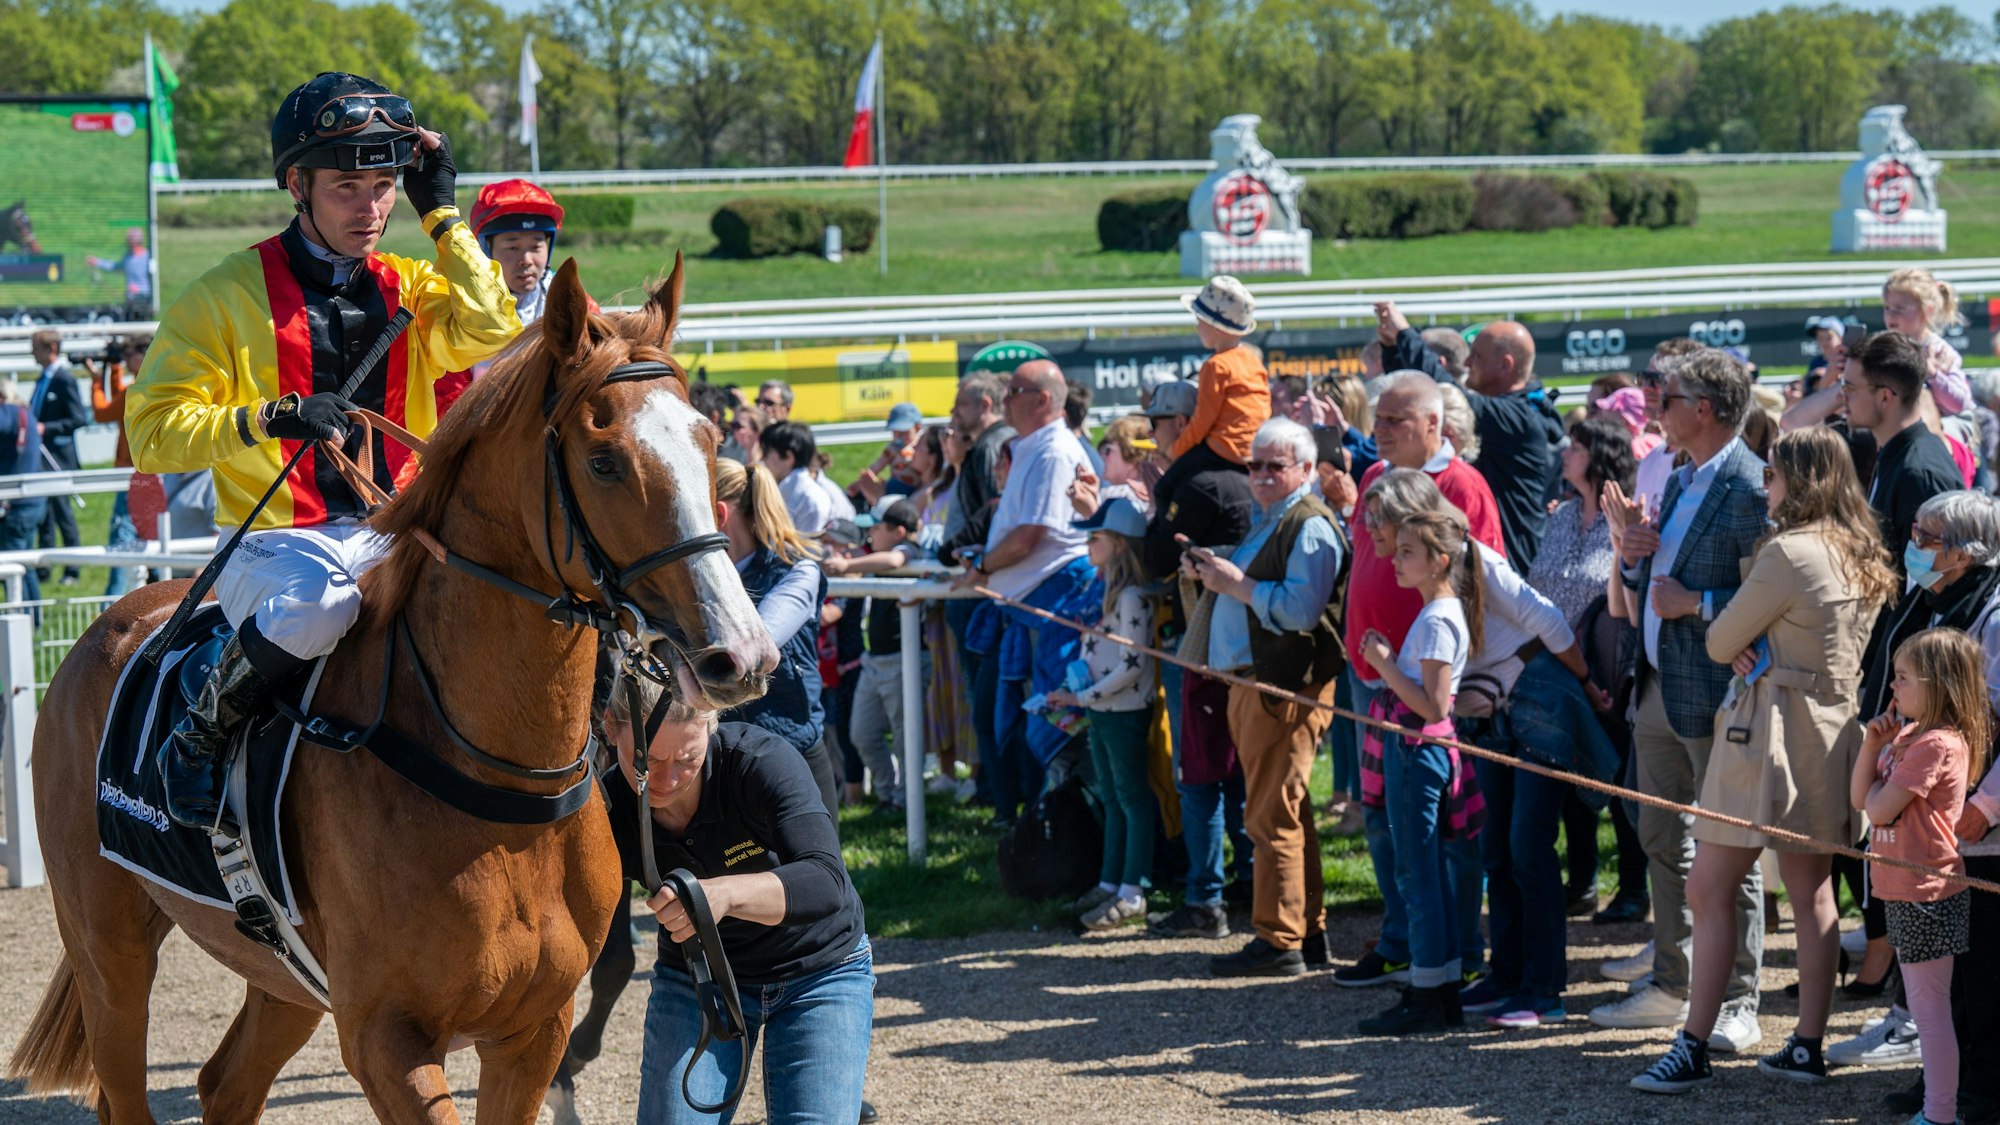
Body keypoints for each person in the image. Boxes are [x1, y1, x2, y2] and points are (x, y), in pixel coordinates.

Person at [126, 71, 519, 828]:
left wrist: (440, 209)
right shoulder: (221, 296)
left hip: (392, 534)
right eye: (347, 187)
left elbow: (494, 326)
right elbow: (152, 433)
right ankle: (199, 734)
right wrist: (267, 418)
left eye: (383, 186)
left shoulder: (410, 283)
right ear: (296, 185)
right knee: (323, 604)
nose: (370, 209)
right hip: (275, 547)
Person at [1629, 426, 1898, 1094]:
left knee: (1708, 886)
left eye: (1774, 473)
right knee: (1811, 893)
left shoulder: (1788, 552)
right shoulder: (1861, 549)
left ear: (1798, 481)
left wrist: (1752, 641)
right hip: (1831, 732)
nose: (1766, 483)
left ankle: (1691, 1045)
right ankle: (1807, 1043)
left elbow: (1721, 640)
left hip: (1766, 731)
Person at [1590, 348, 1768, 1048]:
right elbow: (1651, 587)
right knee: (1662, 836)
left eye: (1668, 397)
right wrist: (1634, 553)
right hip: (1658, 683)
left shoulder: (1753, 487)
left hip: (1721, 693)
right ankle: (1674, 980)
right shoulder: (1682, 475)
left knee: (1730, 849)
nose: (1655, 404)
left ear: (1704, 408)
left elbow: (1776, 593)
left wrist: (1697, 602)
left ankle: (1739, 997)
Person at [604, 690, 872, 1125]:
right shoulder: (607, 809)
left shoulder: (759, 761)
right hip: (698, 978)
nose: (667, 780)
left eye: (687, 759)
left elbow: (827, 883)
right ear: (610, 727)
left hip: (819, 971)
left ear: (711, 727)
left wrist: (722, 895)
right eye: (647, 762)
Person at [1333, 371, 1502, 989]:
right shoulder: (1376, 478)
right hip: (1372, 676)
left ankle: (1455, 949)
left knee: (1445, 832)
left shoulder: (1462, 486)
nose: (1379, 431)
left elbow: (1484, 583)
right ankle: (1403, 940)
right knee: (1382, 821)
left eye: (1395, 421)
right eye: (1377, 419)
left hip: (1426, 684)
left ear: (1435, 426)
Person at [1839, 491, 2000, 1079]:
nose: (1914, 545)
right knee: (1942, 984)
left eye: (1927, 538)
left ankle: (1969, 1096)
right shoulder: (1929, 603)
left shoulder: (1995, 618)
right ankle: (1945, 1086)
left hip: (1975, 823)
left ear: (1965, 554)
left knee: (1975, 976)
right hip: (1932, 826)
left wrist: (1987, 803)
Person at [1182, 417, 1345, 977]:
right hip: (1256, 683)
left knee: (1270, 815)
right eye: (1255, 464)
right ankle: (1305, 931)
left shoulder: (1310, 524)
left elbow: (1301, 610)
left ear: (1305, 469)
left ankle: (1280, 942)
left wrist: (1235, 584)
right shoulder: (1276, 518)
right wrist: (1214, 571)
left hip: (1282, 687)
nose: (1262, 474)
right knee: (1285, 810)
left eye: (1276, 465)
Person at [1354, 505, 1482, 1033]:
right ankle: (1442, 984)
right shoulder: (1443, 611)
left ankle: (1428, 993)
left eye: (1409, 552)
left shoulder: (1435, 619)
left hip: (1418, 751)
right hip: (1422, 752)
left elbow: (1433, 707)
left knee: (1417, 873)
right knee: (1429, 871)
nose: (1396, 560)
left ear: (1440, 560)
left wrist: (1384, 664)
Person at [1851, 629, 1986, 1125]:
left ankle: (1939, 1115)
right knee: (1925, 1009)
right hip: (1902, 890)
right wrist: (1872, 746)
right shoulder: (1907, 736)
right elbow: (1859, 799)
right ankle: (1938, 1112)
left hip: (1928, 893)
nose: (1892, 687)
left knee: (1929, 1014)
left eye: (1903, 678)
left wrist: (1875, 799)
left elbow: (1879, 810)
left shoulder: (1938, 744)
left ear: (1938, 684)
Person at [1530, 416, 1647, 925]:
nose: (1565, 452)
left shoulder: (1625, 524)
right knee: (1569, 775)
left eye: (1576, 446)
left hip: (1609, 676)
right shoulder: (1557, 516)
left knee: (1621, 785)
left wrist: (1595, 677)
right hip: (1559, 670)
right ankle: (1581, 883)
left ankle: (1633, 888)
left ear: (1599, 455)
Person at [1380, 303, 1563, 569]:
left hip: (1508, 573)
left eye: (1476, 356)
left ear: (1505, 365)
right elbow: (1420, 395)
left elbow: (1444, 394)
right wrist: (1392, 346)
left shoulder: (1520, 418)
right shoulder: (1512, 413)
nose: (1466, 363)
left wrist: (1405, 334)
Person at [1046, 497, 1157, 932]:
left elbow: (1133, 666)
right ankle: (1113, 882)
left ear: (1120, 545)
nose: (1088, 544)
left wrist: (1083, 696)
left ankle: (1133, 889)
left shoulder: (1131, 597)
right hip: (1103, 708)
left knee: (1130, 797)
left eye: (1096, 537)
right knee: (1114, 797)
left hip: (1123, 710)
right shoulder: (1113, 592)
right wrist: (1080, 693)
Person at [711, 459, 836, 815]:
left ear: (719, 514)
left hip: (792, 752)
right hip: (719, 756)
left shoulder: (798, 572)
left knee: (818, 871)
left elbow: (753, 648)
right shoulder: (693, 581)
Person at [433, 178, 580, 415]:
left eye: (536, 246)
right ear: (484, 250)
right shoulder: (459, 306)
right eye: (512, 247)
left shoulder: (570, 303)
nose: (527, 260)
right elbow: (448, 404)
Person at [825, 499, 925, 813]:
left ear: (898, 531)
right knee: (861, 733)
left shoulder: (911, 551)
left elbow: (895, 561)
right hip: (875, 659)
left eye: (878, 528)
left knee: (904, 735)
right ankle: (888, 794)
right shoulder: (877, 555)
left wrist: (845, 567)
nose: (871, 535)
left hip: (904, 659)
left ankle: (903, 800)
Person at [1845, 331, 1962, 570]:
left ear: (1885, 397)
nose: (1842, 397)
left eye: (1850, 389)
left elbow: (1933, 582)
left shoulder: (1919, 474)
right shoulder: (1895, 454)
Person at [1158, 276, 1271, 505]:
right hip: (1254, 451)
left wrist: (1174, 450)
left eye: (1200, 319)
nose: (1197, 325)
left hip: (1224, 450)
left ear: (1215, 327)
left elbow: (1202, 421)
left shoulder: (1216, 365)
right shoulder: (1252, 360)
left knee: (1164, 488)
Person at [83, 334, 151, 596]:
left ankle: (114, 601)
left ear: (143, 356)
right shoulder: (148, 385)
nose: (126, 360)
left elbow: (103, 411)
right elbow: (118, 403)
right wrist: (113, 369)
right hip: (149, 473)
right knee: (148, 540)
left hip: (133, 475)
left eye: (129, 355)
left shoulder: (134, 391)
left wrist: (95, 381)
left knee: (123, 539)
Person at [27, 328, 88, 584]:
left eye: (36, 348)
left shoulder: (64, 380)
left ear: (50, 349)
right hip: (42, 459)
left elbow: (78, 418)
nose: (32, 353)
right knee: (45, 516)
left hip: (59, 460)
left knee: (63, 514)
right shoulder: (42, 379)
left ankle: (72, 569)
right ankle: (44, 570)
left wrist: (45, 428)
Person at [0, 382, 47, 603]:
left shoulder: (8, 413)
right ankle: (34, 619)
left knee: (13, 565)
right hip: (33, 500)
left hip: (17, 504)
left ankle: (23, 620)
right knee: (25, 564)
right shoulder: (25, 414)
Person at [760, 422, 835, 536]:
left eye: (766, 453)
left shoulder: (810, 498)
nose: (763, 460)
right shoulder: (785, 487)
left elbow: (806, 550)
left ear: (788, 457)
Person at [853, 401, 924, 506]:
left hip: (916, 489)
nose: (898, 436)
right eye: (895, 432)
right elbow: (877, 466)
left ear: (917, 428)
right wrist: (862, 481)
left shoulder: (923, 448)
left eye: (904, 432)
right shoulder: (893, 448)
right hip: (895, 488)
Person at [87, 227, 151, 308]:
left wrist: (140, 290)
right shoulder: (128, 256)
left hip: (143, 299)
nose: (127, 242)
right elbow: (115, 267)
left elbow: (153, 281)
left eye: (129, 239)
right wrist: (97, 262)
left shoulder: (148, 256)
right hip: (130, 298)